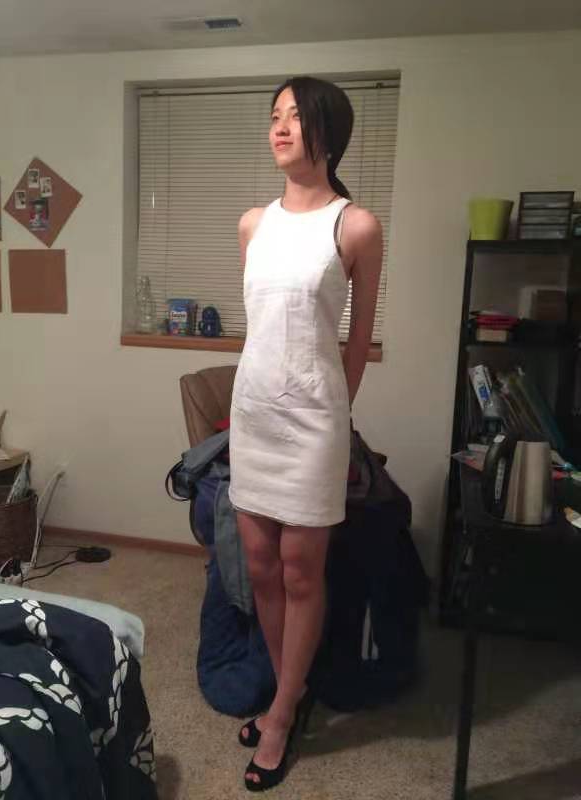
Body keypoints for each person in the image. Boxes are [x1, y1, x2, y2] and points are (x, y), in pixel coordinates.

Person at [228, 75, 384, 791]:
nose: (281, 127)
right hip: (254, 413)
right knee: (260, 566)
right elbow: (265, 327)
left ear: (330, 132)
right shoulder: (252, 224)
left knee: (300, 571)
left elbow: (357, 339)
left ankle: (282, 714)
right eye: (275, 116)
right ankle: (286, 691)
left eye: (296, 116)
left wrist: (333, 410)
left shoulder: (355, 226)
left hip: (314, 421)